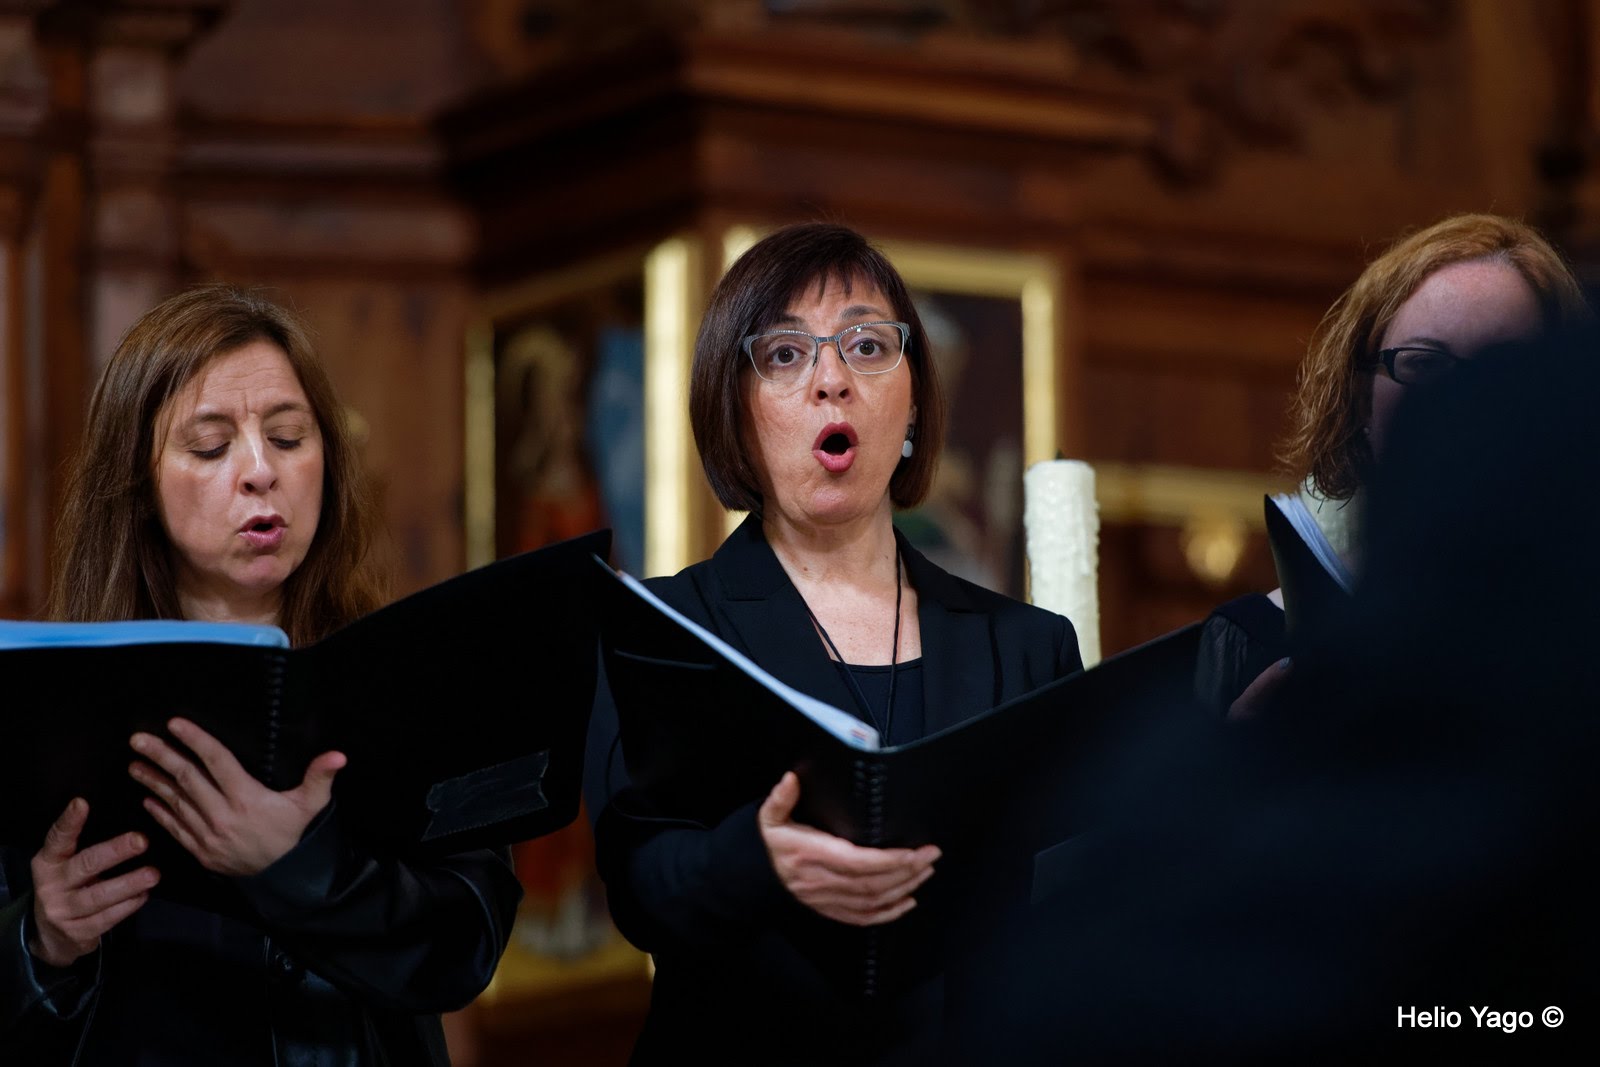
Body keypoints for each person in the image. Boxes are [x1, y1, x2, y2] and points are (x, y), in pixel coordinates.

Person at [953, 331, 1599, 1064]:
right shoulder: (1239, 681)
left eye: (1500, 355)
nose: (1464, 396)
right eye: (1424, 363)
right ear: (1360, 401)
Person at [584, 222, 1083, 1064]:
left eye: (865, 345)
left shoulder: (1025, 649)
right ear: (734, 408)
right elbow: (638, 881)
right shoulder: (665, 627)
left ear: (916, 400)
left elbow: (1068, 910)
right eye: (785, 355)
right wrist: (756, 859)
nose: (831, 380)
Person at [0, 286, 522, 1064]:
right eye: (211, 447)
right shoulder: (50, 695)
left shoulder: (409, 675)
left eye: (287, 437)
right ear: (138, 484)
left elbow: (465, 943)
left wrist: (298, 865)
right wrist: (41, 940)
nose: (259, 472)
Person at [1195, 213, 1590, 717]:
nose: (1459, 406)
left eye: (1501, 372)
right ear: (1361, 399)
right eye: (1425, 365)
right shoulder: (1253, 638)